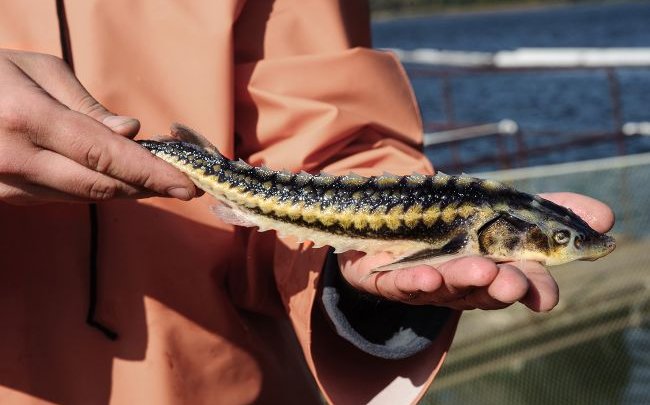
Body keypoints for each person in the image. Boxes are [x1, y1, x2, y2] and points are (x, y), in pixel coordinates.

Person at [0, 1, 614, 404]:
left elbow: (335, 137)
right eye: (555, 239)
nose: (563, 245)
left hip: (226, 379)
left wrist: (360, 284)